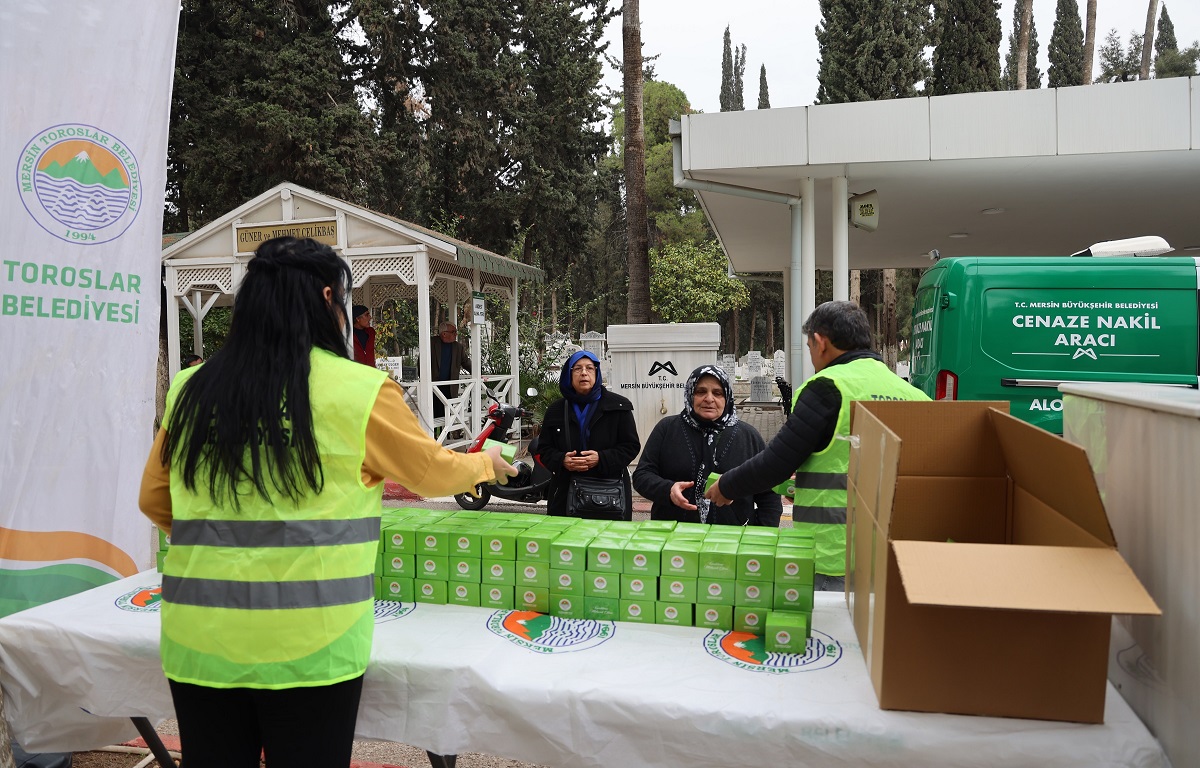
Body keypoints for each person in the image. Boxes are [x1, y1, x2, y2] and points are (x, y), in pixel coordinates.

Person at [137, 236, 515, 768]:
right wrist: (486, 463)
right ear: (325, 298)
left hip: (200, 640)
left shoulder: (190, 388)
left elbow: (154, 498)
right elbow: (430, 473)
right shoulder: (359, 390)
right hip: (312, 647)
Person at [705, 300, 929, 591]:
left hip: (834, 558)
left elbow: (776, 462)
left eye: (810, 347)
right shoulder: (914, 395)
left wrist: (727, 486)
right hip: (893, 557)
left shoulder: (827, 387)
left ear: (820, 342)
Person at [634, 365, 781, 527]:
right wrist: (668, 490)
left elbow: (769, 494)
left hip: (733, 536)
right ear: (690, 394)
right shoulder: (668, 428)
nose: (709, 399)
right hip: (673, 534)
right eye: (701, 392)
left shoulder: (748, 436)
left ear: (727, 397)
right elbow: (642, 475)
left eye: (717, 393)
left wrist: (761, 532)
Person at [539, 350, 640, 520]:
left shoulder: (618, 406)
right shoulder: (556, 410)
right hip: (565, 492)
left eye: (589, 368)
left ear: (597, 373)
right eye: (577, 368)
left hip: (609, 493)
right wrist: (562, 460)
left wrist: (601, 458)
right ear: (569, 374)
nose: (584, 373)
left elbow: (631, 447)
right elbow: (544, 449)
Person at [429, 321, 471, 418]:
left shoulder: (458, 347)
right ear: (444, 334)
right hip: (433, 387)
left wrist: (479, 374)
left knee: (448, 416)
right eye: (453, 332)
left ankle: (447, 429)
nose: (456, 334)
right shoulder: (431, 343)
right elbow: (421, 363)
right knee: (433, 415)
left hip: (450, 388)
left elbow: (466, 363)